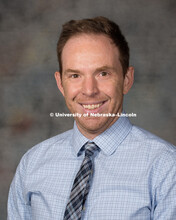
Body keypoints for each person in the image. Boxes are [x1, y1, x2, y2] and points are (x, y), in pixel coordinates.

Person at [8, 16, 176, 220]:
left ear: (126, 79)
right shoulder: (32, 163)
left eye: (103, 73)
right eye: (75, 75)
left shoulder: (166, 167)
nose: (89, 91)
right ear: (61, 84)